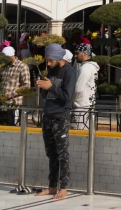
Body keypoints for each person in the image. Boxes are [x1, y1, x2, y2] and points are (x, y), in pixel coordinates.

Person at [35, 43, 77, 200]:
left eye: (50, 60)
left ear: (59, 57)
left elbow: (68, 96)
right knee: (51, 153)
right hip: (48, 114)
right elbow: (49, 94)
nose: (48, 63)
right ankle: (52, 186)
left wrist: (51, 86)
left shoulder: (69, 72)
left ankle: (63, 188)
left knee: (62, 154)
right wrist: (43, 88)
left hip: (60, 116)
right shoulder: (51, 71)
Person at [0, 46, 31, 125]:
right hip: (1, 104)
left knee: (13, 130)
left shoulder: (22, 66)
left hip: (14, 105)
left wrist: (9, 95)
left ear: (11, 56)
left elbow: (26, 86)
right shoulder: (3, 67)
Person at [72, 43, 99, 130]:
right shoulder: (92, 67)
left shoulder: (85, 68)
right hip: (89, 105)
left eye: (77, 53)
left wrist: (71, 101)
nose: (75, 56)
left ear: (84, 54)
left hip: (81, 106)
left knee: (79, 135)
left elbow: (78, 89)